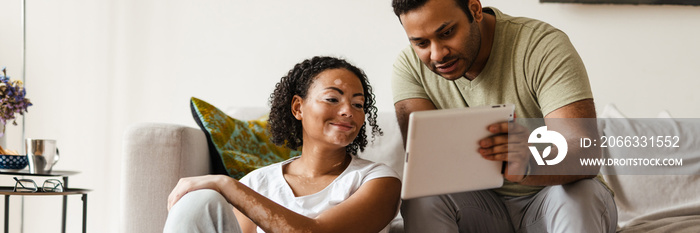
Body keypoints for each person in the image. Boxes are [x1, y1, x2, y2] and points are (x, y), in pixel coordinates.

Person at [390, 0, 617, 232]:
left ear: (475, 10)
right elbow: (426, 164)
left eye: (447, 32)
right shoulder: (410, 67)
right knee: (422, 197)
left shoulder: (541, 45)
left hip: (553, 197)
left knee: (581, 193)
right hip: (480, 209)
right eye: (421, 43)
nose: (437, 54)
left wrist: (529, 164)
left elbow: (584, 151)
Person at [164, 56, 402, 233]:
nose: (348, 111)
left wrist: (226, 184)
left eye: (358, 105)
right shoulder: (258, 183)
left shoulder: (378, 181)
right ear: (298, 107)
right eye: (332, 99)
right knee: (198, 201)